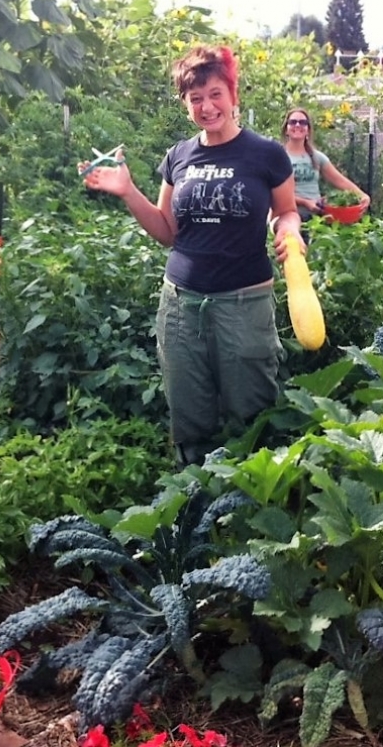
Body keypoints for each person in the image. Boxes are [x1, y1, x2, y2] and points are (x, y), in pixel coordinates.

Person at [78, 45, 302, 466]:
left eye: (215, 93)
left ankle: (254, 507)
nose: (207, 105)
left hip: (244, 303)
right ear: (185, 104)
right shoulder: (178, 157)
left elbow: (286, 210)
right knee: (189, 414)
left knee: (251, 413)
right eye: (195, 98)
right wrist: (127, 190)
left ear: (233, 96)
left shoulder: (266, 154)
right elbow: (167, 231)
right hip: (180, 304)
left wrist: (289, 230)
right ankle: (196, 503)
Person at [281, 107, 371, 224]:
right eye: (293, 122)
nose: (298, 125)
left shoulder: (317, 157)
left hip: (315, 219)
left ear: (308, 130)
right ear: (286, 129)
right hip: (288, 218)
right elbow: (275, 194)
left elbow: (340, 181)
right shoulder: (278, 156)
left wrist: (363, 195)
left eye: (303, 122)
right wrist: (305, 202)